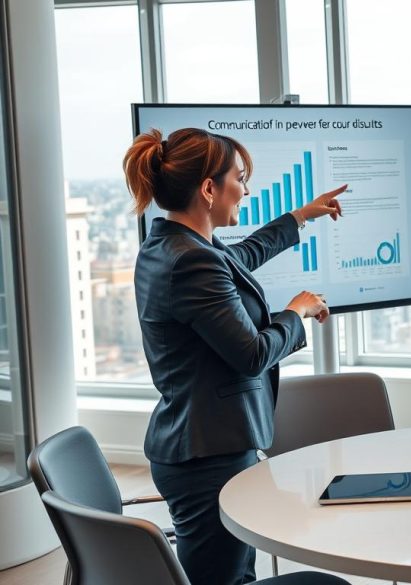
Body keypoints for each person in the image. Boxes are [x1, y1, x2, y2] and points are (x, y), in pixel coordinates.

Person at [125, 127, 346, 585]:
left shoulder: (171, 245)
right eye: (240, 179)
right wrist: (295, 312)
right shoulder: (190, 260)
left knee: (231, 572)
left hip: (205, 443)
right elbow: (252, 354)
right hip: (208, 455)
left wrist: (299, 217)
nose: (245, 190)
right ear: (209, 189)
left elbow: (241, 257)